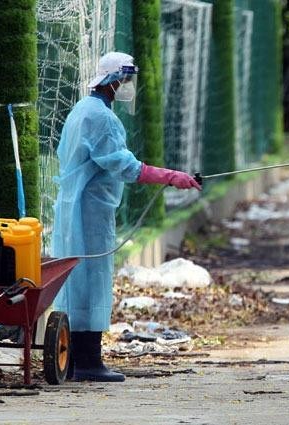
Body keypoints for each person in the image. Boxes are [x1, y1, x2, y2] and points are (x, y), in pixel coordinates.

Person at [52, 52, 201, 382]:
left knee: (77, 282)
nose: (129, 87)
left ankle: (74, 361)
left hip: (74, 206)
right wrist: (170, 176)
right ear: (113, 81)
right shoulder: (101, 118)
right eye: (127, 80)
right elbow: (123, 165)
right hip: (89, 210)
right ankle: (88, 363)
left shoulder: (83, 109)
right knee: (92, 281)